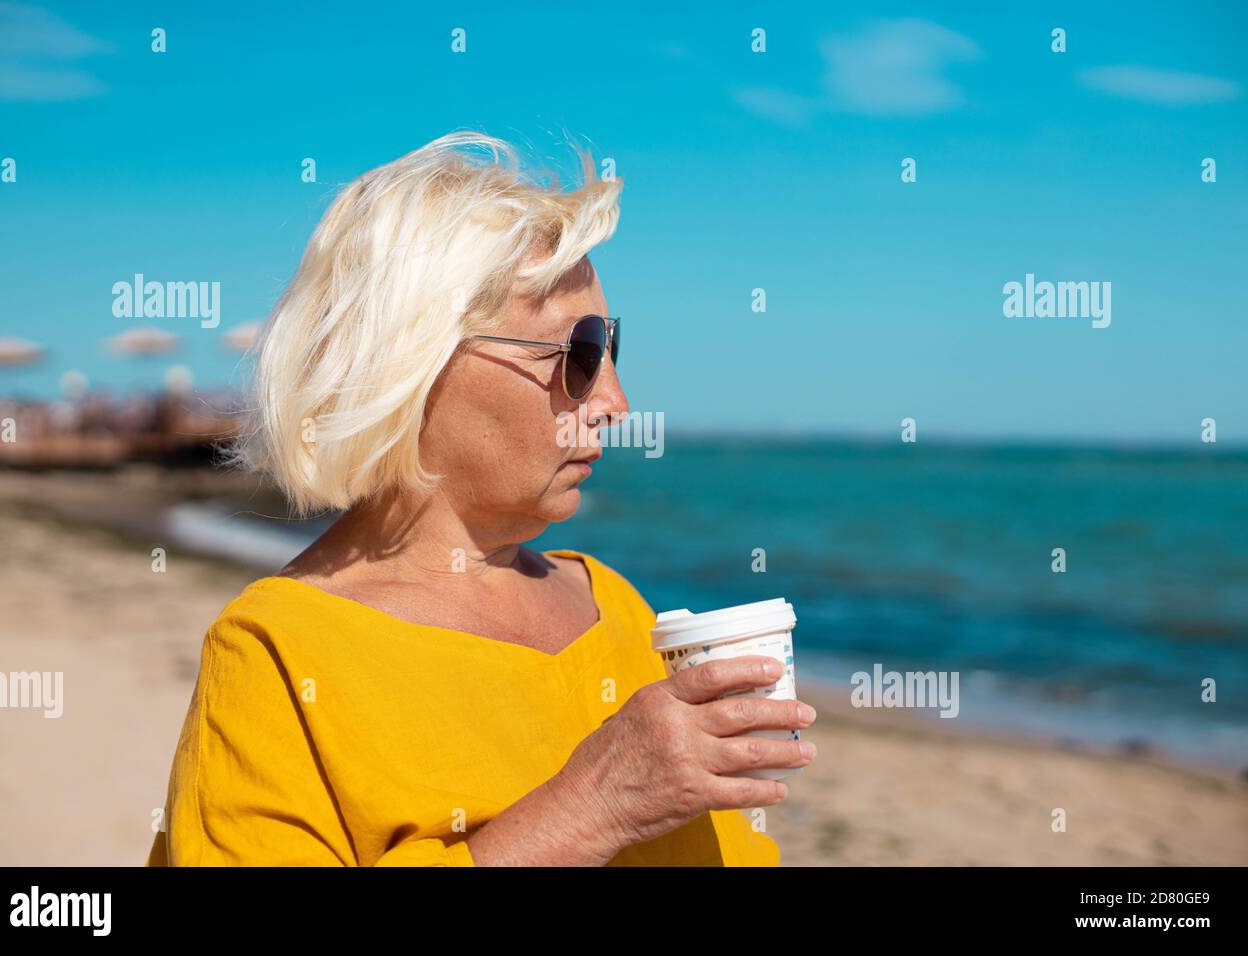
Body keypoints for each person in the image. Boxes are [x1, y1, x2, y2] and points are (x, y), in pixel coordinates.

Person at [147, 131, 816, 867]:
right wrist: (591, 809)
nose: (615, 403)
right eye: (579, 355)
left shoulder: (617, 610)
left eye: (610, 351)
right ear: (411, 363)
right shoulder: (276, 656)